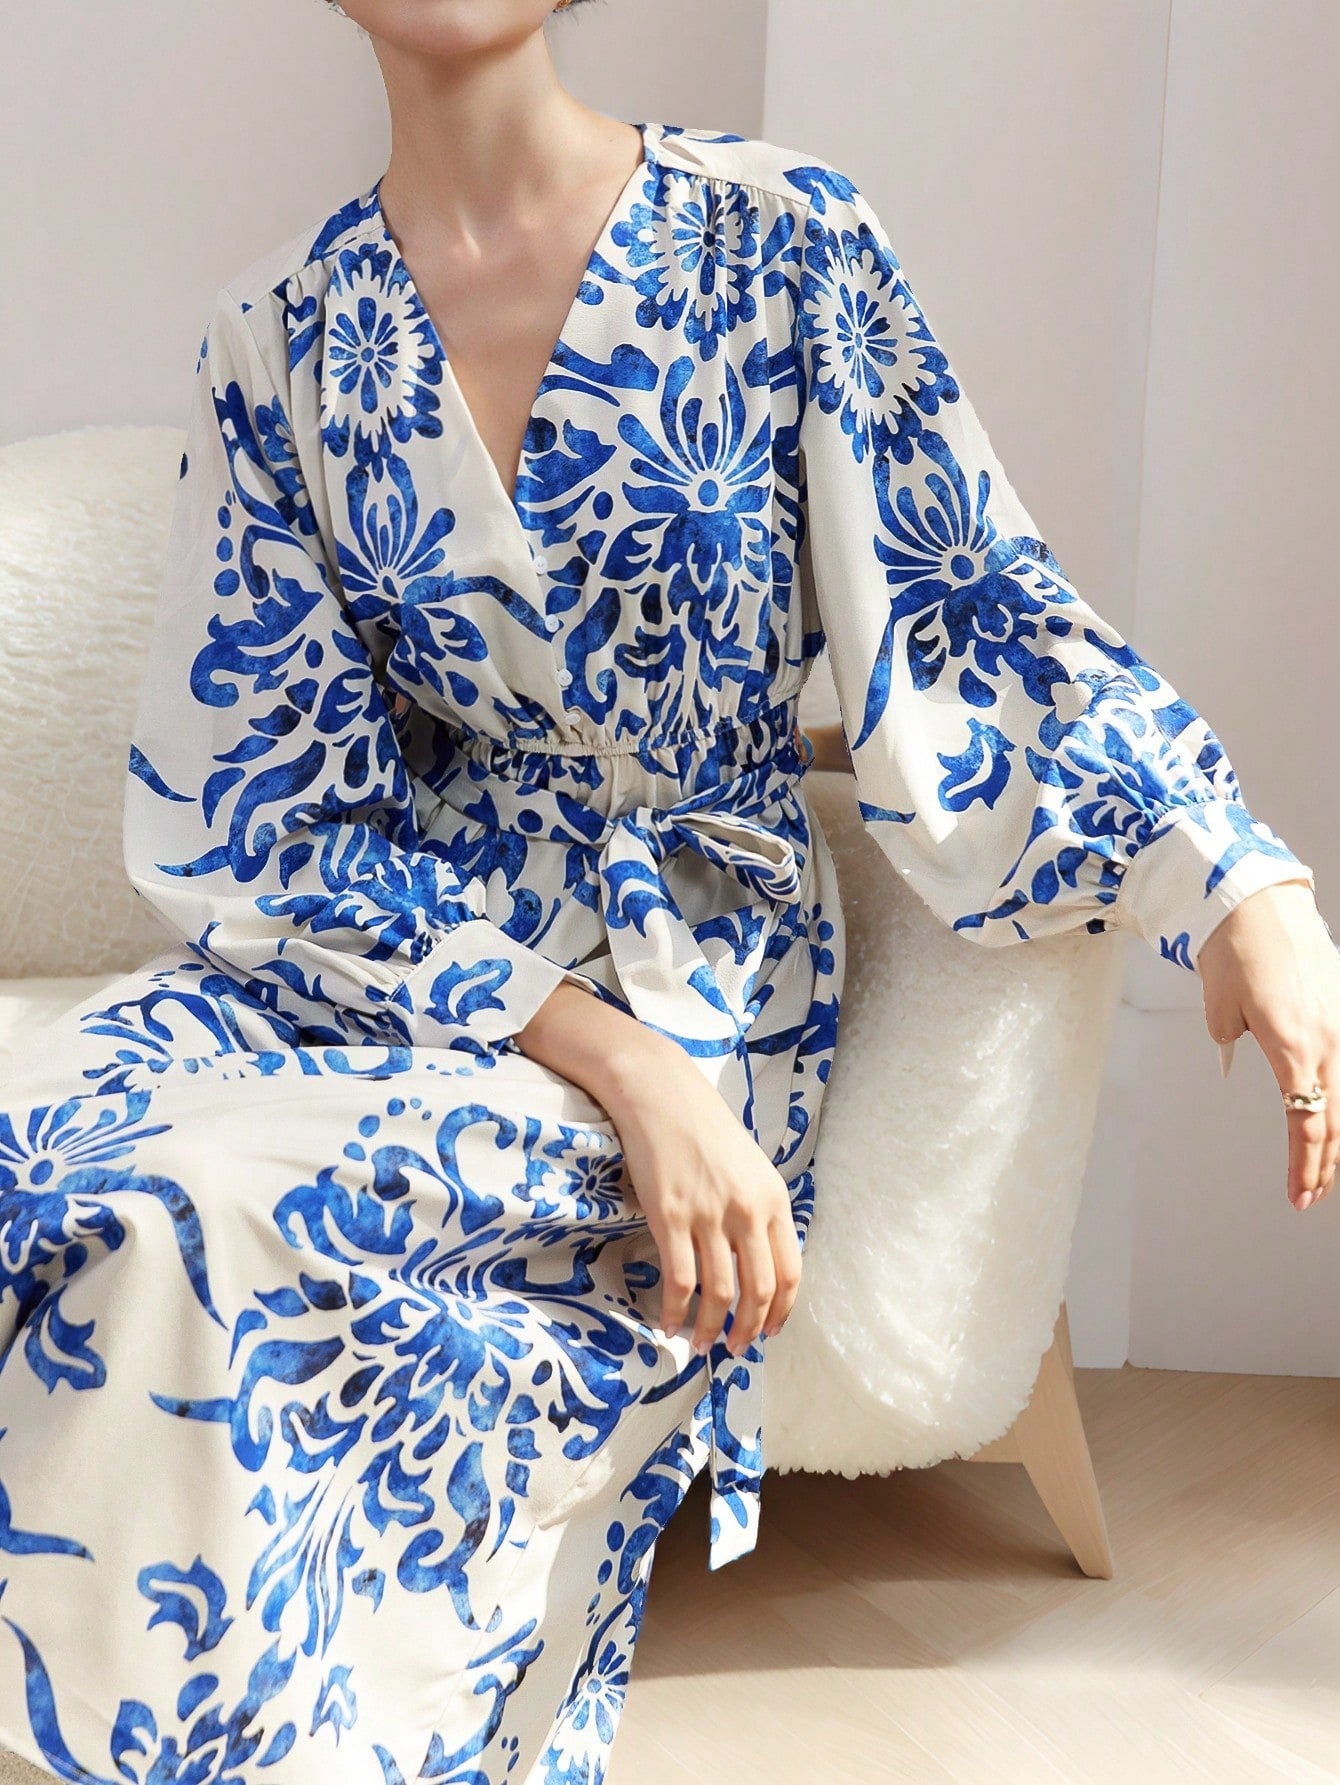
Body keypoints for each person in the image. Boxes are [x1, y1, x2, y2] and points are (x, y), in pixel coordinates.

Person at [2, 2, 1338, 1779]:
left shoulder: (782, 238)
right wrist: (603, 1061)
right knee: (38, 1161)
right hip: (411, 966)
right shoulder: (282, 338)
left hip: (691, 975)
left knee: (197, 1220)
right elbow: (268, 812)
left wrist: (1236, 878)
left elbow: (975, 613)